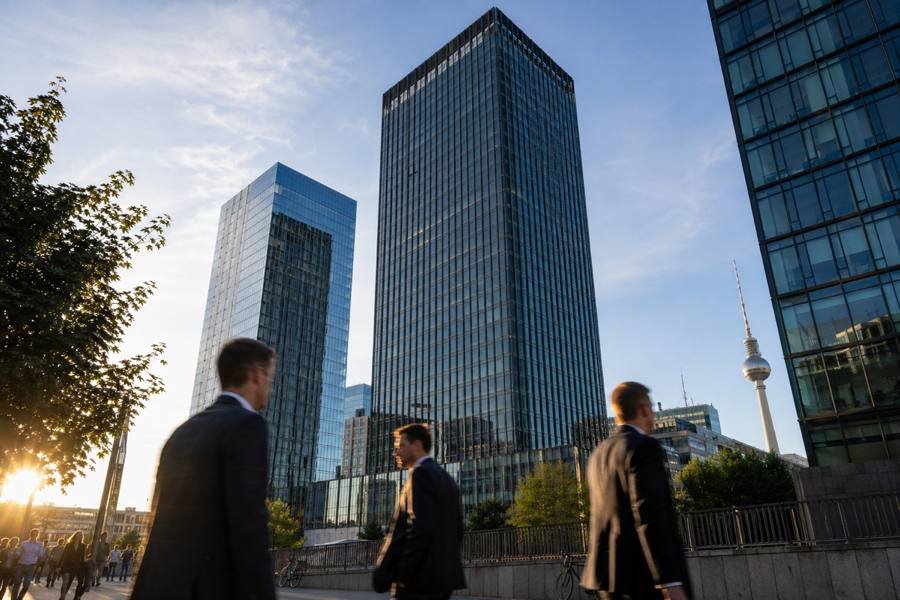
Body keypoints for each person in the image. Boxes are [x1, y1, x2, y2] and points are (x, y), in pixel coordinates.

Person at [131, 338, 277, 600]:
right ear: (256, 375)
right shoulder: (247, 426)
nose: (270, 387)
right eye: (270, 378)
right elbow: (249, 524)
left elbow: (158, 519)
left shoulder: (182, 432)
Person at [581, 382, 691, 600]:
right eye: (651, 408)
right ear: (642, 409)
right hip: (642, 576)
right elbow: (649, 512)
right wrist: (669, 580)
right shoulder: (643, 446)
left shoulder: (598, 454)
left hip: (606, 577)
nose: (653, 416)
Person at [373, 423, 466, 600]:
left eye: (401, 446)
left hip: (418, 580)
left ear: (417, 445)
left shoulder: (420, 474)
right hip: (443, 578)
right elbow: (458, 529)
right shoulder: (447, 478)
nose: (396, 452)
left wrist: (403, 573)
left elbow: (419, 529)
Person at [10, 528, 45, 600]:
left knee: (26, 584)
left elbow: (41, 555)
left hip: (31, 566)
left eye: (36, 534)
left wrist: (39, 565)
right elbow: (18, 553)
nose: (34, 535)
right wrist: (16, 554)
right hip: (21, 564)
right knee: (17, 583)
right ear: (30, 534)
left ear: (38, 535)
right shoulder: (24, 543)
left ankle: (20, 597)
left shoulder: (40, 544)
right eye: (33, 533)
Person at [58, 531, 87, 600]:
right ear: (75, 535)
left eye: (80, 535)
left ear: (81, 537)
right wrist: (59, 566)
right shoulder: (69, 544)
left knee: (69, 582)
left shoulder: (83, 546)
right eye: (77, 535)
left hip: (75, 566)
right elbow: (63, 555)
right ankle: (63, 597)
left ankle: (63, 595)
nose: (78, 536)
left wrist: (82, 568)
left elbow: (82, 558)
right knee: (66, 581)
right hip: (66, 565)